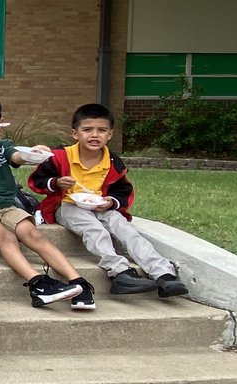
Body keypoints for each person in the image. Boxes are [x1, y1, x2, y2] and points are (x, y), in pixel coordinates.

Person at [28, 102, 189, 298]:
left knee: (127, 230)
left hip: (101, 205)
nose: (94, 135)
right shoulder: (60, 156)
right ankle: (119, 271)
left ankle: (163, 274)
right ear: (75, 133)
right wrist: (56, 182)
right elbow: (36, 181)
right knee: (95, 230)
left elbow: (123, 191)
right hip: (68, 205)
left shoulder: (112, 162)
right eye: (87, 130)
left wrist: (111, 202)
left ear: (110, 135)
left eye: (101, 130)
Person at [0, 94, 90, 308]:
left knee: (32, 233)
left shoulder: (3, 144)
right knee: (5, 237)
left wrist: (34, 153)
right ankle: (38, 284)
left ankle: (78, 282)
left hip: (7, 204)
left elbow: (16, 156)